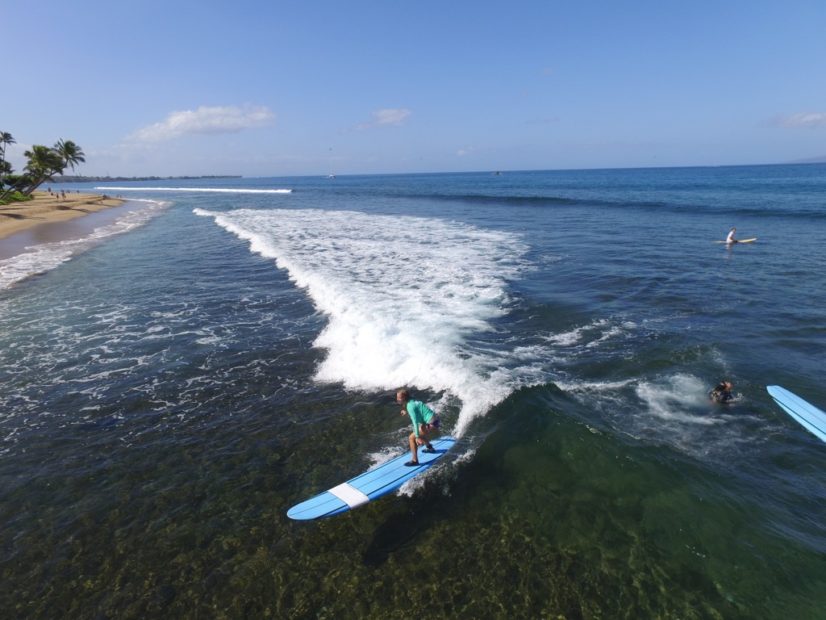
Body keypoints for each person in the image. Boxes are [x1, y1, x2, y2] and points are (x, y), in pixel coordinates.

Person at [396, 388, 440, 466]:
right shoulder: (412, 400)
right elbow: (416, 408)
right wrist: (406, 411)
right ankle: (430, 448)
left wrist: (417, 437)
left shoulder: (410, 406)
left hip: (431, 422)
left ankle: (415, 460)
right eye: (397, 397)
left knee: (411, 438)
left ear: (404, 398)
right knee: (422, 430)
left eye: (399, 398)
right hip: (432, 419)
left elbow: (415, 423)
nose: (397, 399)